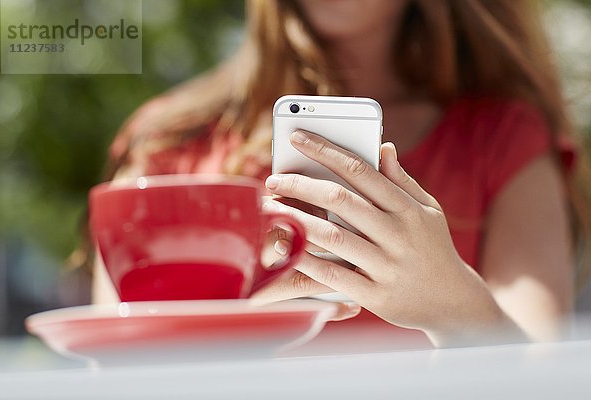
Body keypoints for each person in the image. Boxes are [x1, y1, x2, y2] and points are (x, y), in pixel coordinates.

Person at [93, 0, 590, 347]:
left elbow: (544, 375)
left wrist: (455, 308)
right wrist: (213, 323)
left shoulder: (503, 138)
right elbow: (112, 372)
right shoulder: (167, 142)